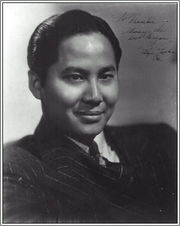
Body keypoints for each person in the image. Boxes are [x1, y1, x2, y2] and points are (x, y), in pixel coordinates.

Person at [3, 9, 177, 223]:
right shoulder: (15, 171)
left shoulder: (161, 141)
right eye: (76, 77)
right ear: (37, 84)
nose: (95, 96)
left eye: (105, 76)